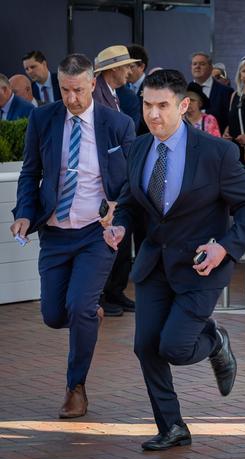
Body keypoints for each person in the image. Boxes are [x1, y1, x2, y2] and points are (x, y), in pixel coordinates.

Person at [103, 69, 245, 451]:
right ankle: (172, 426)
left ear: (184, 105)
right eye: (147, 104)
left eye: (162, 106)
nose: (153, 114)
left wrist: (226, 246)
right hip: (153, 264)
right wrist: (120, 227)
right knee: (146, 346)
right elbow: (129, 203)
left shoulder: (216, 152)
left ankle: (215, 341)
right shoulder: (139, 148)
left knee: (174, 348)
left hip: (200, 266)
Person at [10, 53, 135, 418]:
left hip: (96, 234)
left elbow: (130, 182)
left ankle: (75, 387)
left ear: (93, 84)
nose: (72, 98)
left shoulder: (118, 124)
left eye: (78, 90)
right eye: (65, 90)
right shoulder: (42, 118)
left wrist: (118, 208)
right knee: (52, 314)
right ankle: (85, 316)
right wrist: (23, 214)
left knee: (79, 305)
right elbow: (29, 173)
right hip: (54, 232)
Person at [93, 45, 141, 317]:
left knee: (122, 239)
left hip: (119, 181)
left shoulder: (114, 95)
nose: (129, 71)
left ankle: (114, 292)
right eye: (125, 66)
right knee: (109, 239)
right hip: (107, 184)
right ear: (112, 69)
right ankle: (102, 295)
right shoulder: (99, 97)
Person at [191, 52, 234, 134]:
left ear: (210, 68)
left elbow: (231, 120)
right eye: (194, 64)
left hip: (218, 142)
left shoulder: (226, 92)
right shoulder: (184, 92)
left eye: (202, 64)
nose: (197, 67)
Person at [93, 45, 138, 112]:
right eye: (127, 66)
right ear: (114, 67)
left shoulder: (110, 90)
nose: (130, 72)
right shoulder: (95, 93)